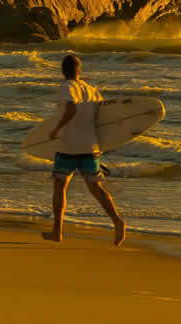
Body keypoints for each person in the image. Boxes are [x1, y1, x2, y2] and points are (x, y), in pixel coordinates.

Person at [41, 54, 125, 246]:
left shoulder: (66, 87)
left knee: (60, 185)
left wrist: (56, 129)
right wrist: (102, 145)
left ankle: (57, 231)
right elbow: (104, 119)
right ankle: (117, 221)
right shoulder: (91, 90)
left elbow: (70, 109)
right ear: (80, 71)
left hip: (69, 146)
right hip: (89, 146)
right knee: (96, 187)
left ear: (63, 71)